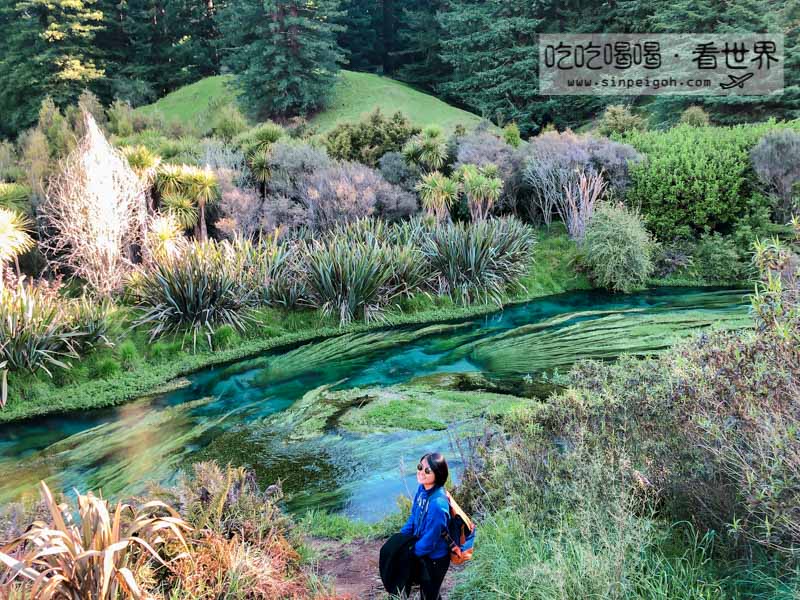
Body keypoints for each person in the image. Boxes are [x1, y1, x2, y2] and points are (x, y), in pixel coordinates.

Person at [399, 452, 451, 599]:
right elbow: (414, 517)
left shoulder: (438, 504)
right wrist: (401, 539)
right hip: (423, 553)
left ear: (438, 474)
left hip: (435, 559)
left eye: (427, 470)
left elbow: (431, 539)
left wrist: (412, 553)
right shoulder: (422, 490)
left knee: (429, 594)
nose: (421, 472)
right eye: (420, 467)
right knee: (428, 593)